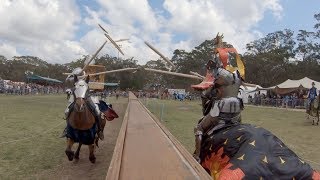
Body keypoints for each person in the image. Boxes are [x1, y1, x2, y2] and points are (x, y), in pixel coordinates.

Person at [193, 59, 243, 163]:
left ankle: (197, 156)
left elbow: (209, 92)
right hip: (237, 105)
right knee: (238, 124)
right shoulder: (237, 74)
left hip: (222, 105)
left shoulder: (219, 73)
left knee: (199, 128)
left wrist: (206, 85)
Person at [64, 67, 105, 140]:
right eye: (78, 73)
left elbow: (93, 86)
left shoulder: (87, 78)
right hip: (76, 97)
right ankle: (67, 129)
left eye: (80, 73)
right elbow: (69, 84)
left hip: (88, 97)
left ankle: (99, 130)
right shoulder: (74, 80)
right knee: (67, 111)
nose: (80, 74)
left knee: (97, 111)